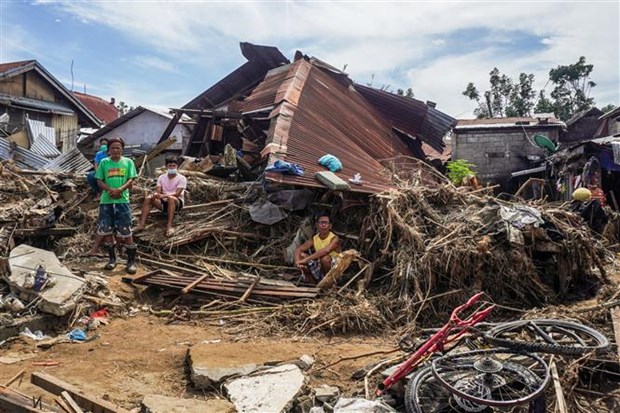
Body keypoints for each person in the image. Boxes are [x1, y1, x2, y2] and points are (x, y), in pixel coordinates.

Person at [94, 137, 138, 274]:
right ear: (108, 150)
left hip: (122, 201)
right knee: (107, 230)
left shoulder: (128, 162)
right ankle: (112, 259)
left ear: (122, 149)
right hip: (106, 201)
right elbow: (99, 180)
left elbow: (131, 179)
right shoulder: (104, 163)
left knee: (126, 230)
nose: (115, 150)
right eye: (112, 148)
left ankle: (131, 262)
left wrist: (120, 190)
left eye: (118, 147)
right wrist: (110, 190)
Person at [135, 156, 187, 237]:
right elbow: (158, 191)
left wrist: (163, 195)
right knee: (148, 198)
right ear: (166, 166)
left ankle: (169, 226)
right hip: (163, 202)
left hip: (177, 202)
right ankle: (141, 224)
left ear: (177, 166)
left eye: (174, 166)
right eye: (170, 166)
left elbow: (177, 194)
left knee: (171, 198)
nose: (172, 167)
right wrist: (156, 195)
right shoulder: (161, 177)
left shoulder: (182, 178)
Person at [294, 213, 341, 284]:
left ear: (330, 226)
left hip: (334, 267)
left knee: (324, 259)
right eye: (321, 223)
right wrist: (298, 262)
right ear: (317, 225)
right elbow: (299, 249)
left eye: (326, 223)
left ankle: (329, 283)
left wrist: (305, 260)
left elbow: (326, 250)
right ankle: (313, 283)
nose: (323, 225)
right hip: (320, 264)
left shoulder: (335, 238)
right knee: (301, 256)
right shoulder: (314, 238)